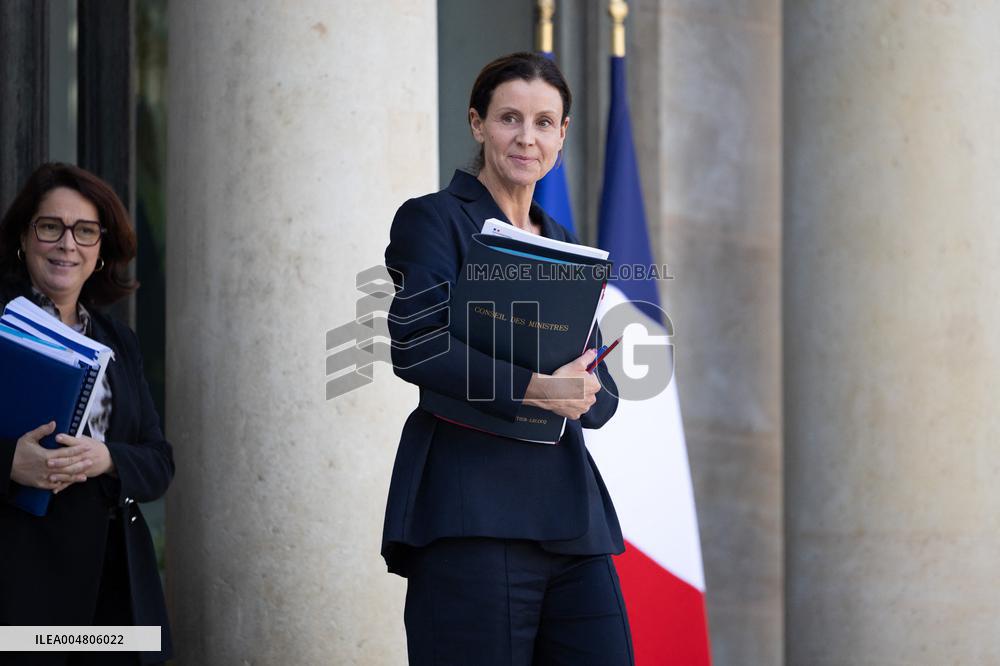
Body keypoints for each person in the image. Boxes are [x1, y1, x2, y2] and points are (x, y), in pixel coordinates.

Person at [381, 53, 634, 665]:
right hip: (471, 511)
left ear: (563, 135)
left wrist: (586, 390)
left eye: (545, 122)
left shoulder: (566, 244)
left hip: (571, 518)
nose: (527, 137)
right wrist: (537, 388)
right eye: (510, 118)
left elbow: (598, 390)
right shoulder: (434, 219)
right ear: (477, 123)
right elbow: (418, 344)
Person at [0, 163, 174, 666]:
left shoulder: (119, 341)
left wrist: (106, 458)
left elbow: (159, 461)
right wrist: (11, 462)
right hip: (22, 590)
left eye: (86, 231)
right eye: (50, 226)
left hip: (117, 590)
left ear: (101, 251)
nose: (66, 244)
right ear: (24, 238)